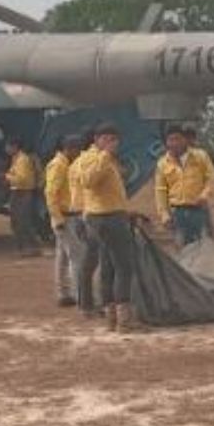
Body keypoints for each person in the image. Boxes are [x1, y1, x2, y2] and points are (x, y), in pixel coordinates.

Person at [81, 122, 138, 331]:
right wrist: (104, 155)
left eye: (114, 140)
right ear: (96, 140)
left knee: (108, 265)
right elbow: (88, 181)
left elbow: (112, 192)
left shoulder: (109, 160)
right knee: (123, 266)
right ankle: (123, 318)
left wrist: (126, 210)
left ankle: (112, 317)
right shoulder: (90, 158)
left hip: (112, 214)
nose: (111, 143)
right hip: (105, 217)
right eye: (106, 139)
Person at [155, 124, 214, 247]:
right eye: (171, 140)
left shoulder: (200, 156)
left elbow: (212, 177)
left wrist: (205, 194)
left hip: (199, 211)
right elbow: (160, 191)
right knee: (183, 249)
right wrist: (164, 215)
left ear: (184, 140)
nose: (174, 143)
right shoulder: (162, 163)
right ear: (166, 143)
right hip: (177, 213)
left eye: (177, 138)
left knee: (206, 247)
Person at [46, 136, 85, 307]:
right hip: (64, 216)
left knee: (62, 257)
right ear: (69, 148)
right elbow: (50, 194)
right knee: (77, 256)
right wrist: (57, 218)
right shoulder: (58, 165)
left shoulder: (66, 164)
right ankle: (80, 294)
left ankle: (64, 293)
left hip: (67, 216)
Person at [69, 131, 102, 318]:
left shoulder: (75, 165)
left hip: (79, 215)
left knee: (87, 263)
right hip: (87, 215)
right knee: (90, 263)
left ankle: (87, 303)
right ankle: (88, 304)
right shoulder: (88, 163)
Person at [3, 136, 41, 256]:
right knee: (16, 221)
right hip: (18, 192)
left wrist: (7, 177)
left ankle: (29, 247)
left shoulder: (22, 160)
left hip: (22, 192)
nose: (6, 149)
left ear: (14, 146)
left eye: (8, 146)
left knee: (22, 221)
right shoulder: (16, 158)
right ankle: (23, 247)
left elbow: (22, 179)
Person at [181, 124, 214, 237]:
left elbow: (212, 171)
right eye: (186, 137)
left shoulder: (201, 154)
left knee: (204, 221)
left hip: (198, 193)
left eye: (190, 137)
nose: (188, 140)